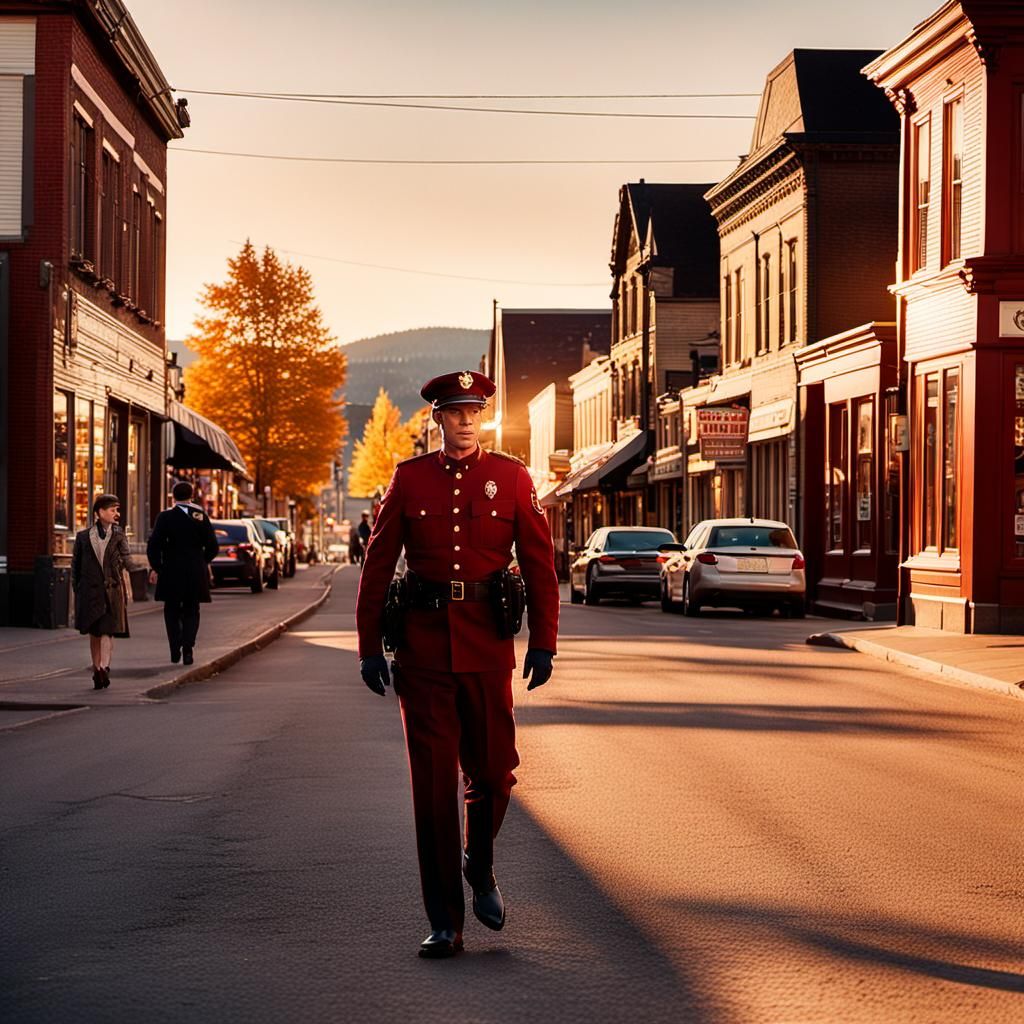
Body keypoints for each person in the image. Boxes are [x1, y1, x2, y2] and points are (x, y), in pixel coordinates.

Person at [355, 370, 560, 959]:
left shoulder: (512, 478)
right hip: (421, 650)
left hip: (487, 646)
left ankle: (480, 861)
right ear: (438, 419)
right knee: (433, 788)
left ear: (483, 418)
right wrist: (368, 647)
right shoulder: (409, 479)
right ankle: (445, 921)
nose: (466, 421)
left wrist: (543, 641)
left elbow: (540, 564)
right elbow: (377, 566)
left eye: (475, 412)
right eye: (455, 412)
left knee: (494, 774)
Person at [147, 481, 219, 666]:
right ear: (191, 496)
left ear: (173, 496)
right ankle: (188, 648)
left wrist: (157, 567)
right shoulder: (200, 517)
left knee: (171, 610)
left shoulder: (165, 517)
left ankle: (174, 647)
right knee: (192, 609)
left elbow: (154, 545)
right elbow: (213, 546)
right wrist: (202, 561)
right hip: (195, 571)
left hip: (171, 570)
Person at [71, 494, 135, 690]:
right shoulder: (83, 537)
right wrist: (77, 590)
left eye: (117, 510)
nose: (116, 514)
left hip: (112, 591)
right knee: (95, 633)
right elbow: (76, 566)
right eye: (112, 510)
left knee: (107, 630)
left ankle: (104, 668)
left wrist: (141, 569)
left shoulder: (119, 534)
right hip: (90, 592)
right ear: (99, 512)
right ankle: (97, 668)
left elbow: (127, 558)